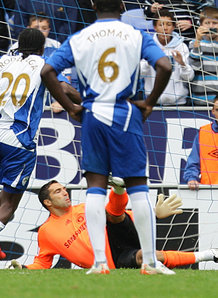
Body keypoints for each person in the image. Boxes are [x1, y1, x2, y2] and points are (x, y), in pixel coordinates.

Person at [40, 0, 173, 275]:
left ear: (92, 4)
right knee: (138, 185)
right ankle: (149, 261)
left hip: (92, 113)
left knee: (96, 187)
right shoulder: (136, 35)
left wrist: (71, 107)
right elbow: (165, 65)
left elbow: (46, 72)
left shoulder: (80, 37)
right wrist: (148, 102)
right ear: (123, 4)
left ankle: (100, 263)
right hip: (125, 112)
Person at [6, 179, 218, 270]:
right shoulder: (46, 232)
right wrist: (22, 267)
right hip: (112, 261)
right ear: (48, 202)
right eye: (58, 191)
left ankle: (118, 189)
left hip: (119, 233)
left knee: (111, 213)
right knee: (150, 257)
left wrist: (154, 213)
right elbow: (43, 263)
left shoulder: (84, 206)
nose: (64, 193)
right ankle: (211, 254)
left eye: (63, 188)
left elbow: (122, 216)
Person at [0, 28, 81, 260]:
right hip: (18, 139)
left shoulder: (3, 61)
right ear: (42, 47)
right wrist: (84, 105)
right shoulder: (45, 65)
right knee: (9, 203)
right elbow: (64, 88)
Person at [140, 9, 194, 106]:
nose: (165, 28)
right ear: (155, 27)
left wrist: (182, 63)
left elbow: (189, 77)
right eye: (161, 25)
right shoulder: (148, 46)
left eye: (168, 25)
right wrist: (149, 60)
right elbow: (140, 74)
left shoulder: (181, 47)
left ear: (174, 27)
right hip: (153, 103)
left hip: (179, 103)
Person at [184, 96, 218, 190]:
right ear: (213, 111)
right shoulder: (203, 132)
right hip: (208, 191)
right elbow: (193, 163)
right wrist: (191, 178)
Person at [142, 0, 213, 43]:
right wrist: (151, 9)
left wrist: (192, 23)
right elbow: (146, 13)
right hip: (165, 42)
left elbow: (208, 15)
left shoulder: (200, 1)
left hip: (190, 40)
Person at [189, 6, 218, 105]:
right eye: (207, 23)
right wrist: (198, 40)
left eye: (215, 23)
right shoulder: (194, 43)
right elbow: (194, 67)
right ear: (201, 25)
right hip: (200, 99)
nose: (211, 26)